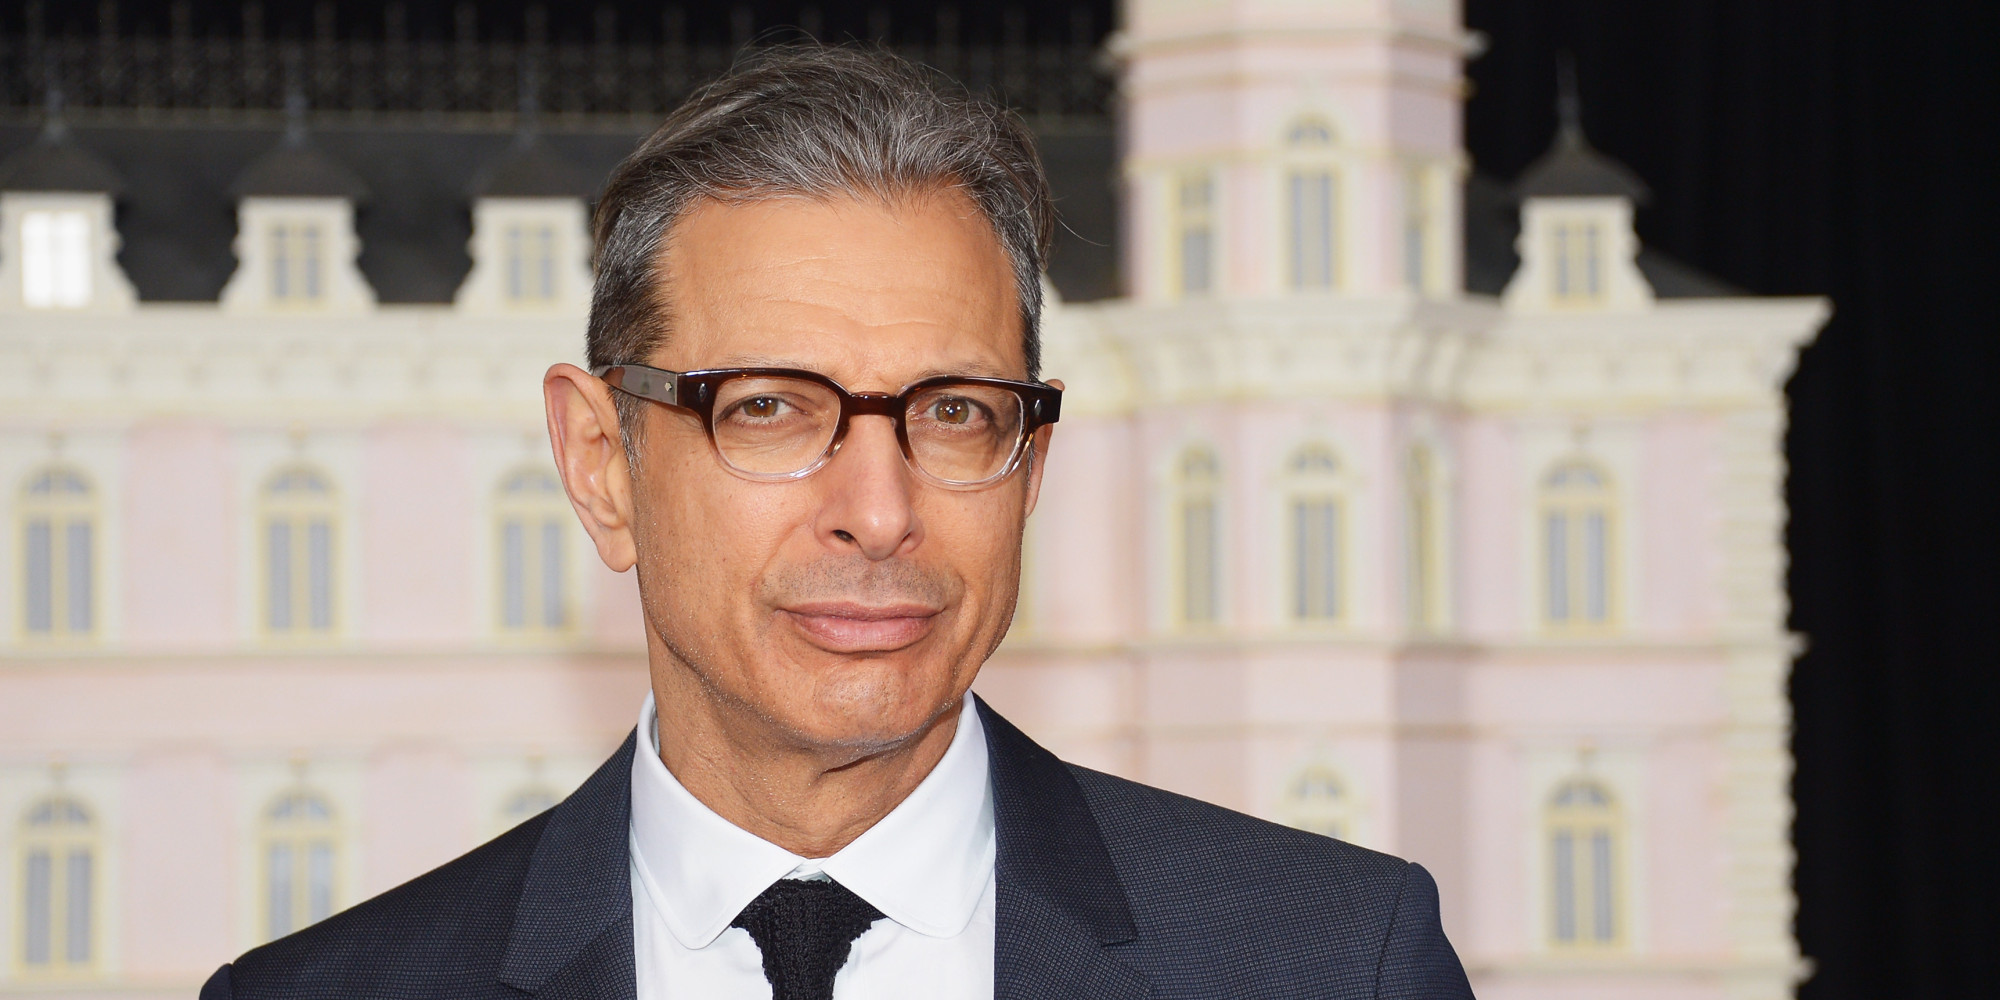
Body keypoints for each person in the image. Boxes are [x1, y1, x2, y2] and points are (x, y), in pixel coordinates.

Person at [199, 46, 1473, 1000]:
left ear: (1030, 470)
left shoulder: (1330, 961)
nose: (878, 512)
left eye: (957, 413)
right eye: (766, 408)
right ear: (601, 463)